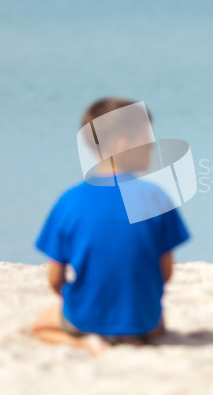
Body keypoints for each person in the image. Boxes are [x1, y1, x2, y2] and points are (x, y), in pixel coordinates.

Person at [30, 97, 190, 354]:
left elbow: (55, 278)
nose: (152, 147)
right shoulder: (156, 197)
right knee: (157, 323)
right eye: (146, 138)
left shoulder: (68, 201)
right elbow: (166, 273)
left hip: (86, 316)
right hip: (141, 318)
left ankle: (84, 342)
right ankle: (133, 335)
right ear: (122, 145)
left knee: (41, 325)